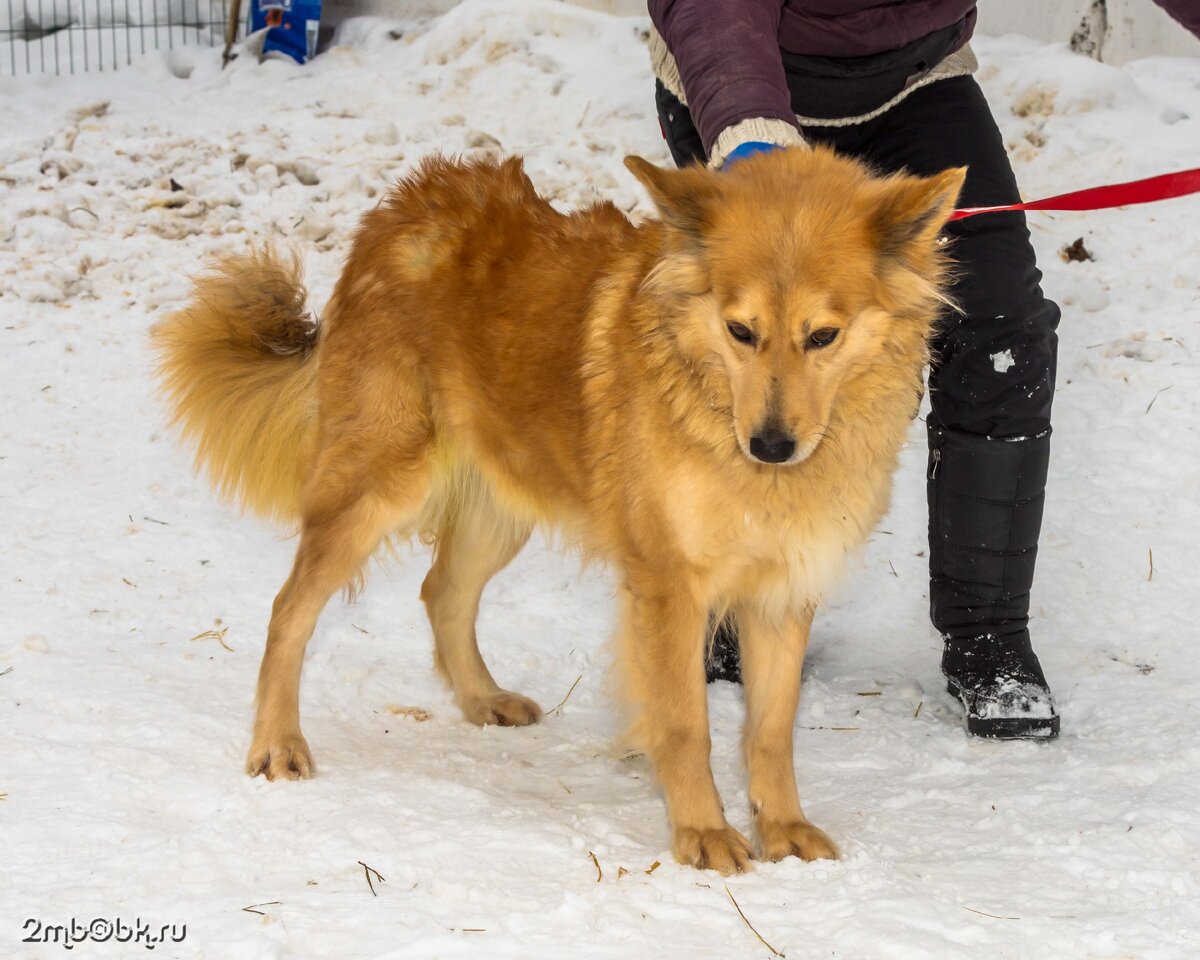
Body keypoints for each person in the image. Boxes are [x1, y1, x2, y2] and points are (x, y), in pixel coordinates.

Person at [644, 0, 1196, 739]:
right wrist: (750, 137)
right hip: (744, 81)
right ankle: (738, 596)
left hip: (913, 80)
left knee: (1001, 322)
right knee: (743, 336)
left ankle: (989, 636)